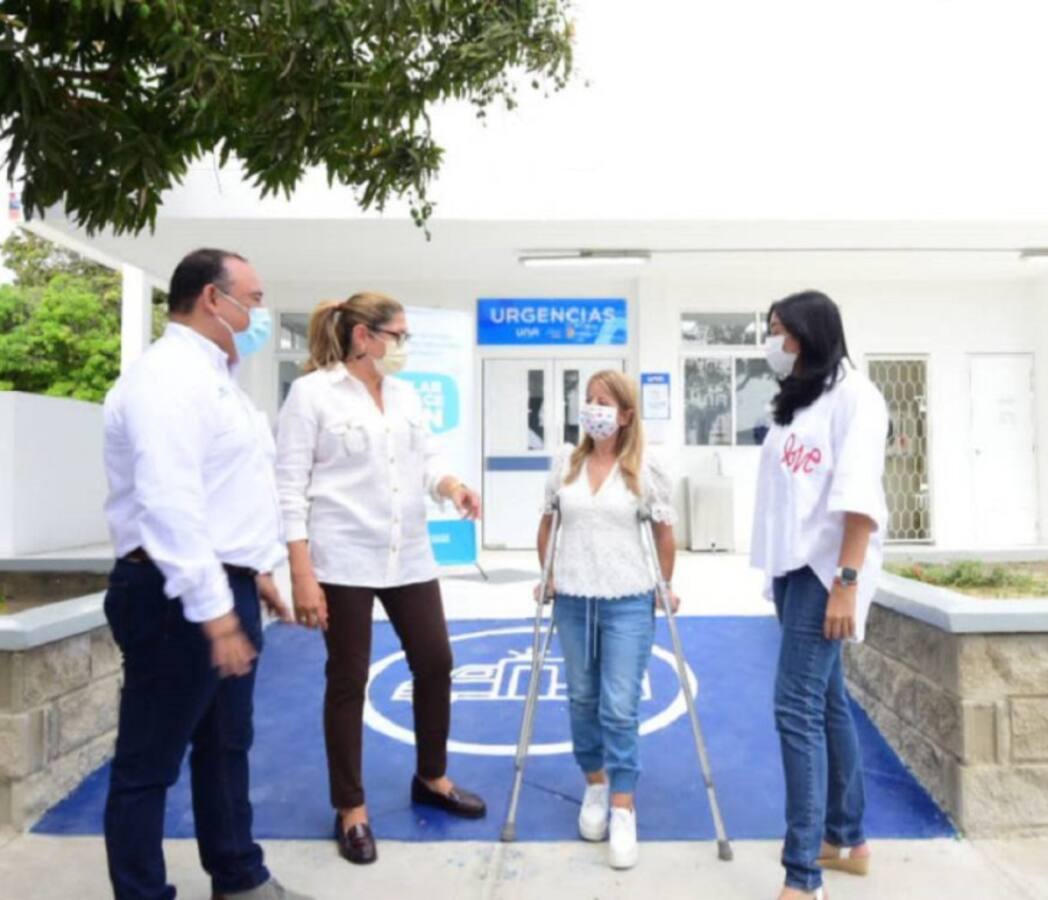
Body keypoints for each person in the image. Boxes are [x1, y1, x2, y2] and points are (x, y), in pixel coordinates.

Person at [101, 248, 311, 900]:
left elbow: (230, 491)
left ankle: (238, 876)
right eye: (253, 297)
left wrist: (258, 572)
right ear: (213, 299)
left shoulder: (218, 378)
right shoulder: (165, 379)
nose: (259, 311)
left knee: (226, 746)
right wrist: (214, 611)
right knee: (149, 763)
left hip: (225, 584)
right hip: (175, 595)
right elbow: (171, 504)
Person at [274, 291, 486, 866]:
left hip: (407, 554)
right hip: (342, 558)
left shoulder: (405, 394)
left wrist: (452, 487)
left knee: (436, 661)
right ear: (363, 336)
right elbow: (289, 487)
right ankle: (350, 807)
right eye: (398, 335)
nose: (403, 346)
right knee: (348, 678)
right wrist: (301, 572)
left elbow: (428, 460)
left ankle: (432, 778)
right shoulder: (311, 394)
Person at [750, 290, 889, 900]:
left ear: (808, 333)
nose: (771, 341)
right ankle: (846, 839)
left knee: (795, 710)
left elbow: (860, 499)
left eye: (778, 329)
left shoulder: (857, 397)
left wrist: (845, 585)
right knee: (827, 703)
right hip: (792, 567)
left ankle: (803, 877)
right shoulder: (798, 399)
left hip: (826, 571)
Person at [536, 370, 679, 871]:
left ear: (625, 415)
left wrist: (664, 584)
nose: (593, 409)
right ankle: (594, 784)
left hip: (628, 600)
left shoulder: (645, 468)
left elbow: (664, 534)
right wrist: (548, 574)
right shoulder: (566, 464)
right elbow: (547, 525)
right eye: (589, 400)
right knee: (582, 698)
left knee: (619, 706)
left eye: (604, 402)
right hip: (573, 599)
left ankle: (623, 804)